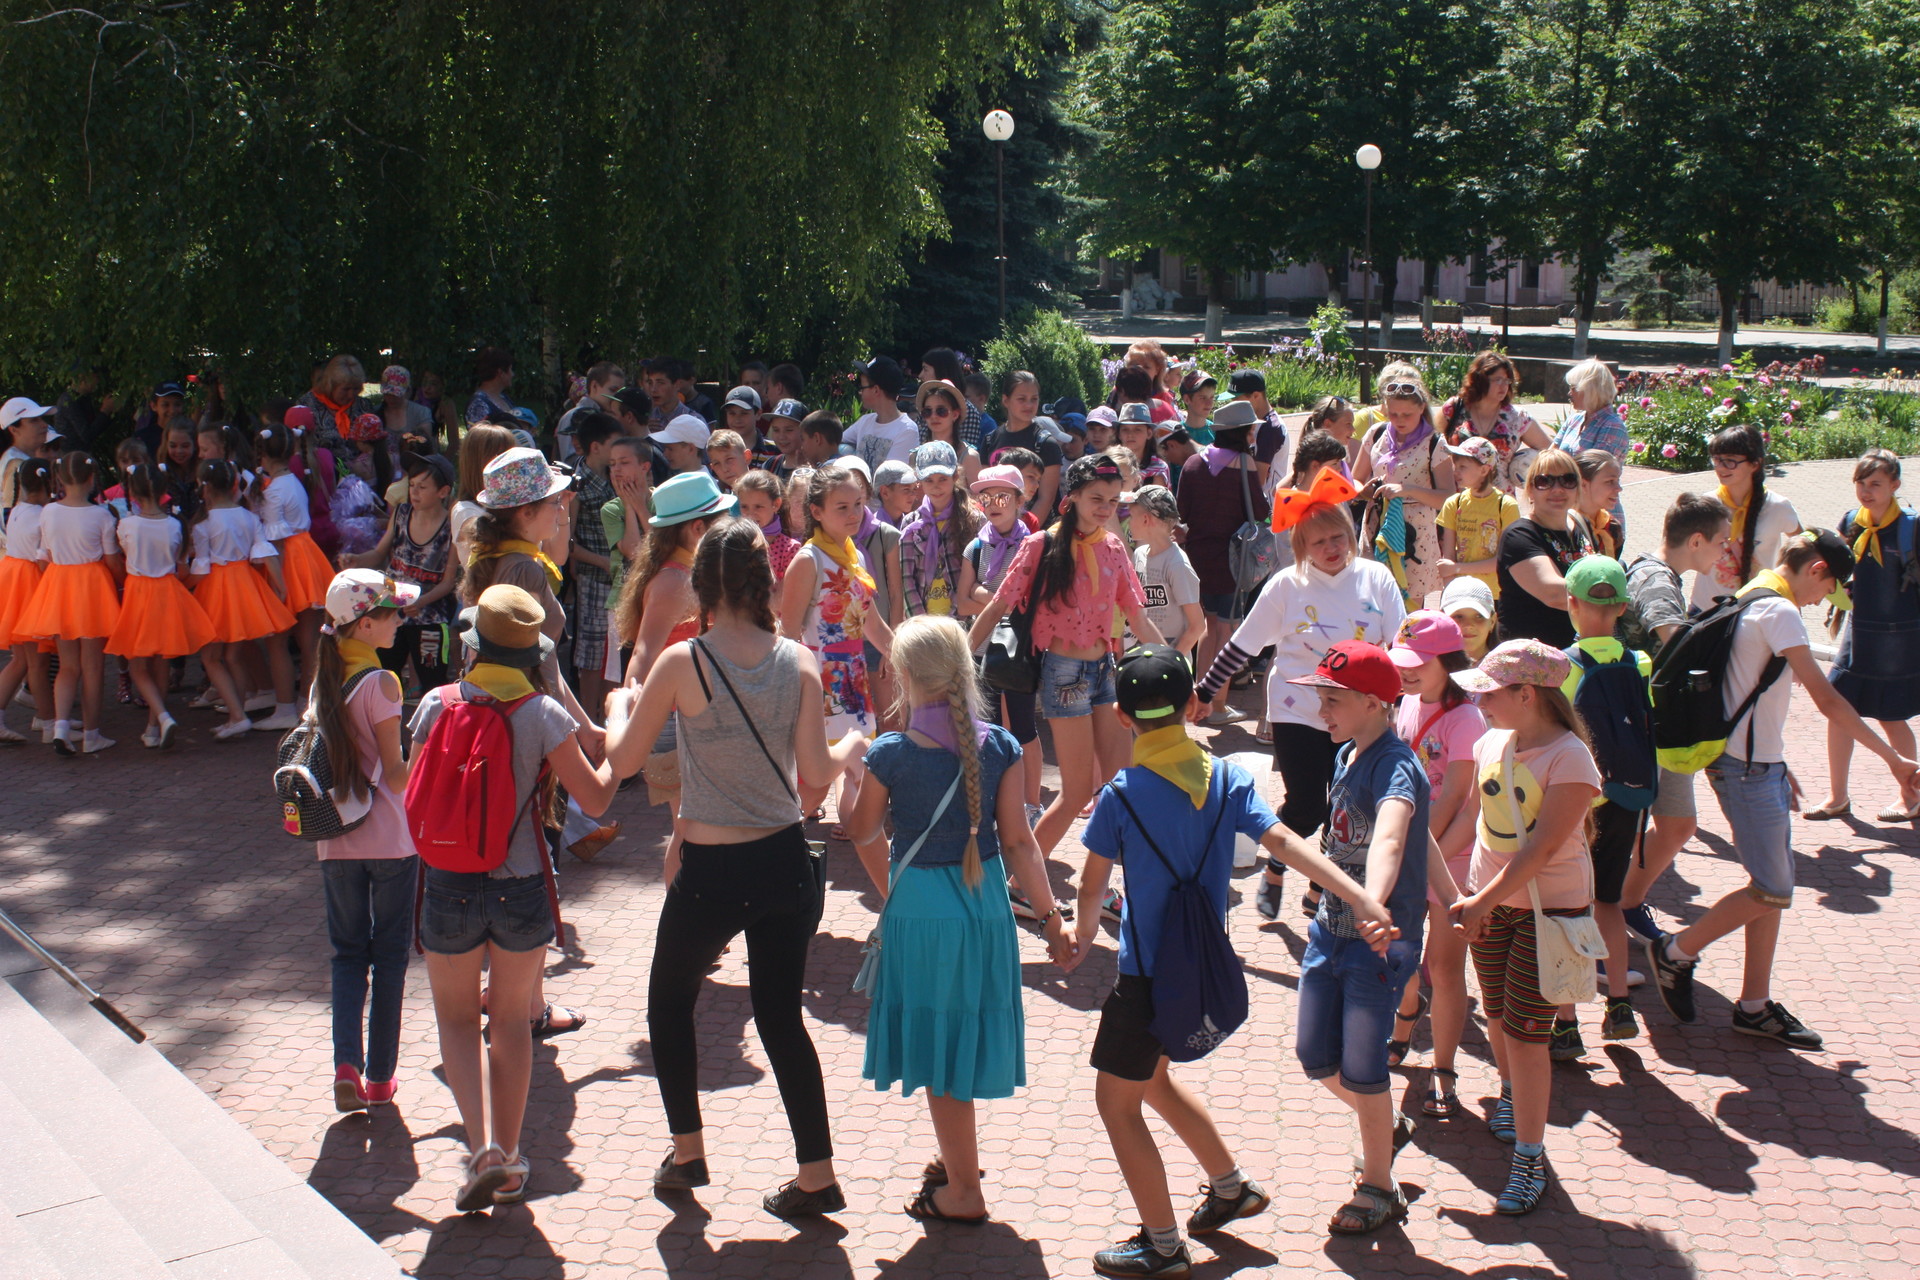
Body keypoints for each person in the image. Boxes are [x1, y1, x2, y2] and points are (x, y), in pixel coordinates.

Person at [1066, 644, 1396, 1276]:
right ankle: (1230, 1186)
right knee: (1153, 1079)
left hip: (1144, 977)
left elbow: (1089, 885)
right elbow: (1283, 842)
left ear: (1121, 716)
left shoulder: (1122, 794)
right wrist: (1356, 896)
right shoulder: (1229, 779)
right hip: (1202, 963)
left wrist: (1080, 936)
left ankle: (1161, 1244)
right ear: (1194, 704)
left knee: (1118, 1102)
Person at [603, 519, 866, 1217]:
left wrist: (613, 705)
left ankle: (688, 1154)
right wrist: (850, 751)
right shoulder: (797, 661)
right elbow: (814, 777)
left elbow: (620, 763)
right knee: (782, 1019)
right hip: (783, 860)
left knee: (670, 1002)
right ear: (765, 581)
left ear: (701, 588)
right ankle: (817, 1174)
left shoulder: (682, 662)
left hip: (714, 869)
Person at [1644, 531, 1920, 1050]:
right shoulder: (1782, 612)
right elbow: (1830, 702)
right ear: (1816, 568)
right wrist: (1894, 760)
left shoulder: (1756, 593)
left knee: (1767, 888)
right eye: (1830, 587)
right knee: (1773, 888)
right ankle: (1676, 952)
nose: (1825, 601)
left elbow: (1748, 690)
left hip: (1754, 765)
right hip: (1747, 771)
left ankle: (1753, 1005)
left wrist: (1777, 759)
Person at [841, 615, 1069, 1224]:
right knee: (961, 1040)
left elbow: (861, 831)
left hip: (920, 909)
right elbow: (1021, 844)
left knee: (939, 1055)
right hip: (985, 906)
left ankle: (963, 1189)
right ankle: (958, 1163)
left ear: (904, 677)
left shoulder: (891, 753)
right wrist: (1050, 921)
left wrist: (849, 772)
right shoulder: (998, 745)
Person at [412, 584, 617, 1211]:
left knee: (454, 1019)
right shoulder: (544, 713)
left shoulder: (434, 704)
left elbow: (416, 792)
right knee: (510, 1024)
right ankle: (509, 1151)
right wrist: (623, 741)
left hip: (447, 878)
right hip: (521, 884)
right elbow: (598, 799)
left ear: (474, 646)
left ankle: (479, 1149)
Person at [1284, 641, 1437, 1235]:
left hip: (1379, 941)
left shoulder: (1397, 765)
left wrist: (1373, 901)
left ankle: (1379, 1188)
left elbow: (1395, 838)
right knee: (1315, 1057)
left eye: (1332, 700)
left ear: (1375, 703)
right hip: (1331, 930)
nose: (1322, 711)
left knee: (1365, 1068)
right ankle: (1386, 1127)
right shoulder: (1348, 752)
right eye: (1321, 698)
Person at [1194, 497, 1405, 919]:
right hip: (1297, 709)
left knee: (1346, 807)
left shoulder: (1376, 578)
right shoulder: (1287, 584)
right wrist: (1204, 693)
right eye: (1319, 541)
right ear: (1301, 546)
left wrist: (1402, 702)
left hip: (1359, 715)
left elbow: (1399, 647)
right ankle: (1276, 863)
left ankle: (1318, 888)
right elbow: (1244, 643)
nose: (1332, 547)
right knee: (1307, 805)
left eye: (1338, 537)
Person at [1448, 639, 1602, 1216]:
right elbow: (1472, 818)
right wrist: (1431, 859)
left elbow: (1540, 851)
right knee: (1497, 1014)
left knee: (1526, 1036)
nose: (1480, 701)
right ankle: (1512, 1100)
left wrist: (1476, 902)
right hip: (1493, 905)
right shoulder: (1490, 741)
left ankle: (1530, 1160)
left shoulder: (1570, 758)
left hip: (1550, 911)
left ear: (1526, 693)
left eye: (1490, 692)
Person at [967, 453, 1165, 876]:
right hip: (1064, 676)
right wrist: (964, 657)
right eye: (1096, 497)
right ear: (1071, 497)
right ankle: (1018, 880)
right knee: (1075, 793)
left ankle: (1104, 885)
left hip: (1105, 674)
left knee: (1120, 786)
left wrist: (1176, 670)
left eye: (1113, 500)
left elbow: (1138, 617)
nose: (1105, 508)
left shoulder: (1112, 547)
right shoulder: (1042, 545)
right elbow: (1000, 603)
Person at [464, 447, 610, 953]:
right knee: (529, 833)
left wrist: (581, 722)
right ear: (524, 513)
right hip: (522, 714)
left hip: (501, 704)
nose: (561, 509)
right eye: (553, 501)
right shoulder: (524, 569)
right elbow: (539, 662)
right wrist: (579, 723)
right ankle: (520, 968)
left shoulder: (499, 556)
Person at [308, 570, 419, 1110]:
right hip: (391, 841)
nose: (401, 621)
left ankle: (345, 1064)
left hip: (335, 838)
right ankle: (380, 1079)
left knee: (347, 955)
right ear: (366, 622)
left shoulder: (325, 679)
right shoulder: (383, 684)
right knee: (390, 956)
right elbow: (397, 777)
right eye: (393, 613)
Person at [1615, 493, 1731, 942]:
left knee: (1678, 825)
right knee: (1640, 828)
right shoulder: (1660, 583)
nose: (1726, 550)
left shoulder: (1654, 571)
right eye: (1722, 541)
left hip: (1653, 723)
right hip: (1644, 724)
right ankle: (1611, 911)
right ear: (1697, 540)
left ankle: (1625, 903)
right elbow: (1678, 647)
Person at [1383, 613, 1485, 1117]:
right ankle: (1405, 1016)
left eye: (1417, 664)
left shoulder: (1468, 718)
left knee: (1445, 969)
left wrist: (1425, 856)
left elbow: (1460, 799)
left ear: (1447, 661)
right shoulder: (1404, 703)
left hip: (1452, 859)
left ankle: (1443, 1067)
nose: (1405, 673)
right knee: (1400, 954)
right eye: (1401, 662)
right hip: (1409, 851)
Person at [1553, 557, 1653, 1059]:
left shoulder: (1563, 665)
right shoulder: (1639, 663)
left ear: (1571, 603)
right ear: (1620, 606)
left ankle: (1567, 1023)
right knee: (1608, 900)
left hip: (1582, 798)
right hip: (1628, 795)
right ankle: (1618, 1004)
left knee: (1570, 906)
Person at [781, 463, 895, 838]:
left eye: (858, 504)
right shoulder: (808, 560)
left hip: (854, 675)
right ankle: (775, 837)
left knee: (861, 770)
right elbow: (788, 631)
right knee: (817, 781)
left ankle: (863, 838)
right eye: (841, 507)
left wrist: (904, 659)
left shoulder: (856, 557)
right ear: (816, 512)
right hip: (820, 678)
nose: (853, 514)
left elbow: (871, 623)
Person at [1813, 450, 1920, 821]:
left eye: (1875, 483)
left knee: (1892, 715)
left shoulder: (1912, 527)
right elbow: (1838, 570)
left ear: (1895, 485)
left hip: (1898, 639)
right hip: (1858, 635)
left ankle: (1911, 796)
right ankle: (1837, 796)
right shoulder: (1850, 522)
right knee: (1839, 711)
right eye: (1861, 482)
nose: (1866, 491)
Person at [104, 463, 217, 749]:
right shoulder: (174, 524)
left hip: (139, 593)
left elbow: (122, 557)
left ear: (134, 492)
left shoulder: (127, 525)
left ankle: (163, 717)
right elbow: (180, 564)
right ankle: (153, 726)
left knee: (138, 664)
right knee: (161, 662)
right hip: (168, 592)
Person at [17, 452, 123, 754]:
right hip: (92, 589)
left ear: (59, 479)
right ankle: (92, 733)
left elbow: (43, 557)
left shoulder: (48, 511)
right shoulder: (101, 514)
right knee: (93, 666)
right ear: (91, 479)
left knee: (67, 665)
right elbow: (112, 558)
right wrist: (123, 582)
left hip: (60, 585)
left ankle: (60, 726)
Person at [958, 464, 1045, 826]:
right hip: (982, 653)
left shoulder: (1034, 546)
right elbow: (961, 602)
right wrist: (998, 598)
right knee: (988, 729)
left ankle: (1032, 803)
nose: (993, 503)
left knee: (1024, 728)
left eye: (1002, 496)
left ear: (1020, 501)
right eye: (985, 496)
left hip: (1020, 652)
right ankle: (992, 801)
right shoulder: (977, 546)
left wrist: (985, 595)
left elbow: (1033, 600)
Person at [188, 459, 296, 740]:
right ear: (234, 485)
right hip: (245, 584)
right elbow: (263, 550)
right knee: (233, 654)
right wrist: (280, 585)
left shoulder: (203, 524)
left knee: (211, 656)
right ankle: (239, 710)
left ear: (205, 488)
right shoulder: (248, 516)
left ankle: (237, 715)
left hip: (217, 587)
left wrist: (182, 587)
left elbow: (201, 567)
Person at [1176, 400, 1270, 723]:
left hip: (1198, 557)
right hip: (1233, 558)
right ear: (1242, 432)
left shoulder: (1192, 463)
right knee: (1228, 630)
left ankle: (1196, 699)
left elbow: (1183, 513)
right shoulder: (1245, 464)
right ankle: (1217, 706)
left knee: (1206, 625)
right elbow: (1259, 512)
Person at [343, 453, 458, 695]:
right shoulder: (401, 513)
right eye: (412, 486)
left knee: (434, 685)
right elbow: (379, 553)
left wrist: (420, 601)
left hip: (430, 618)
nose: (414, 492)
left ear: (443, 491)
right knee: (384, 674)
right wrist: (357, 560)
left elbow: (448, 582)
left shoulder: (451, 526)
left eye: (422, 487)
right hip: (390, 610)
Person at [257, 424, 336, 723]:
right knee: (309, 639)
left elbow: (275, 540)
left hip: (288, 560)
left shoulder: (274, 491)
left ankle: (286, 708)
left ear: (262, 455)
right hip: (306, 555)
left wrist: (277, 582)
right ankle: (308, 702)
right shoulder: (293, 481)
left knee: (277, 639)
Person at [1354, 377, 1454, 609]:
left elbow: (1448, 496)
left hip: (1416, 533)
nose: (1399, 420)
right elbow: (1356, 479)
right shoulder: (1376, 434)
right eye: (1393, 413)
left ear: (1422, 408)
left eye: (1406, 414)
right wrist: (1365, 491)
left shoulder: (1435, 444)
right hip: (1376, 526)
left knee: (1408, 606)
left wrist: (1407, 490)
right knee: (1372, 602)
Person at [1693, 423, 1802, 610]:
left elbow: (1802, 547)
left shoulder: (1778, 507)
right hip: (1705, 611)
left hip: (1757, 609)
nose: (1720, 468)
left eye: (1730, 461)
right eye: (1717, 459)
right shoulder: (1707, 504)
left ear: (1755, 464)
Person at [1495, 448, 1595, 647]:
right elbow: (1555, 594)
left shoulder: (1581, 523)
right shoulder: (1519, 535)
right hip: (1531, 658)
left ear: (1578, 488)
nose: (1557, 489)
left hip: (1579, 651)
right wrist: (1612, 593)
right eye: (1544, 481)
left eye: (1567, 480)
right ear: (1530, 490)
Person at [567, 413, 621, 716]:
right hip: (594, 580)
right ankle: (589, 716)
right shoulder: (577, 485)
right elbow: (568, 543)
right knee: (591, 654)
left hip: (619, 580)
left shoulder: (616, 475)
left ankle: (606, 715)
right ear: (597, 446)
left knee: (613, 653)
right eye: (614, 443)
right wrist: (601, 562)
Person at [1438, 351, 1552, 494]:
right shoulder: (1455, 408)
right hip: (1458, 500)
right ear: (1480, 380)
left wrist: (1527, 467)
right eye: (1497, 380)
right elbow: (1433, 445)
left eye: (1507, 381)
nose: (1503, 386)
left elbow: (1551, 452)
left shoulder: (1517, 417)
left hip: (1500, 504)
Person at [0, 459, 54, 742]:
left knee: (20, 660)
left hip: (14, 584)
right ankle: (48, 725)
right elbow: (43, 561)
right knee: (37, 664)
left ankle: (45, 720)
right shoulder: (41, 517)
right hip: (30, 589)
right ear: (48, 484)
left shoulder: (18, 511)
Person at [898, 441, 978, 619]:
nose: (936, 486)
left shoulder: (974, 519)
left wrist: (960, 615)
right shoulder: (910, 524)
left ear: (955, 476)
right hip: (925, 620)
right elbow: (907, 580)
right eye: (929, 480)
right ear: (919, 481)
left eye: (943, 478)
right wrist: (920, 622)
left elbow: (979, 575)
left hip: (964, 619)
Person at [1435, 436, 1518, 600]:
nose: (1455, 471)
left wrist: (1457, 568)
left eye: (1463, 467)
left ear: (1484, 470)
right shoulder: (1454, 503)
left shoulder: (1506, 506)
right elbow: (1448, 557)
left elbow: (1502, 561)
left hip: (1495, 594)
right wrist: (1449, 593)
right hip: (1462, 594)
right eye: (1455, 465)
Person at [1127, 485, 1204, 662]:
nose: (1128, 522)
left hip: (1169, 665)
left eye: (1131, 516)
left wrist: (1171, 662)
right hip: (1142, 658)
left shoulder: (1177, 564)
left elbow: (1197, 625)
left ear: (1146, 520)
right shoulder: (1139, 555)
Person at [982, 371, 1062, 518]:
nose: (1029, 405)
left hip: (1032, 533)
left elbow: (1046, 499)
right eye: (1021, 399)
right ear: (1006, 400)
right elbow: (985, 491)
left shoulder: (1046, 444)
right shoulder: (989, 440)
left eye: (1034, 399)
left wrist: (1021, 535)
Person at [449, 424, 517, 571]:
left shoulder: (511, 505)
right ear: (477, 462)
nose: (511, 463)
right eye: (500, 455)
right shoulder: (466, 512)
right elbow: (490, 568)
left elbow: (559, 556)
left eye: (511, 455)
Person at [845, 356, 918, 472]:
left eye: (862, 387)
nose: (860, 392)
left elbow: (890, 479)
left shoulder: (907, 430)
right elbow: (834, 441)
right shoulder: (865, 421)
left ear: (876, 390)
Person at [1551, 359, 1627, 462]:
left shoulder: (1612, 426)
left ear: (1590, 390)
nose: (1569, 393)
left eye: (1573, 388)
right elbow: (1550, 455)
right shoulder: (1574, 420)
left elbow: (1594, 471)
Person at [1229, 368, 1289, 495]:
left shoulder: (1271, 428)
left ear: (1256, 395)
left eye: (1236, 399)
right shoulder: (1253, 422)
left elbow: (1257, 480)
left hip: (1267, 507)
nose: (1232, 403)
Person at [733, 468, 800, 581]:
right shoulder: (734, 544)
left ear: (776, 504)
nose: (750, 514)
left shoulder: (790, 549)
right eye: (744, 507)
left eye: (758, 506)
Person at [914, 380, 981, 484]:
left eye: (941, 411)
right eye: (927, 411)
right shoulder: (915, 456)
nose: (934, 416)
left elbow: (978, 499)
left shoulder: (969, 457)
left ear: (955, 415)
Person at [2, 396, 56, 524]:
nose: (44, 425)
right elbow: (12, 520)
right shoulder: (16, 464)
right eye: (34, 420)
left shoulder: (22, 460)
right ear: (14, 430)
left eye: (41, 419)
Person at [1571, 449, 1624, 559]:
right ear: (1583, 485)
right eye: (1610, 481)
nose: (1619, 488)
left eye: (1617, 481)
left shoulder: (1612, 528)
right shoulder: (1563, 527)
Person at [1116, 403, 1173, 490]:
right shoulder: (1110, 464)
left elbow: (1155, 501)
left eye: (1137, 429)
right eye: (1125, 429)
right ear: (1119, 434)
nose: (1130, 434)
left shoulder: (1158, 467)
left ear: (1149, 434)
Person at [1443, 575, 1496, 663]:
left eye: (1479, 616)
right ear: (1442, 619)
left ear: (1492, 621)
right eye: (1458, 616)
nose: (1468, 626)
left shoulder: (1510, 670)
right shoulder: (1431, 667)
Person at [465, 346, 517, 426]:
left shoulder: (504, 398)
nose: (513, 374)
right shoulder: (478, 404)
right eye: (510, 369)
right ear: (501, 373)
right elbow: (480, 436)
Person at [764, 398, 810, 479]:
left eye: (789, 430)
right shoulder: (770, 465)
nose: (781, 436)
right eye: (776, 430)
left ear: (805, 430)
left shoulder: (816, 467)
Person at [1175, 369, 1217, 443]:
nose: (1209, 403)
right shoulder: (1177, 434)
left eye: (1212, 397)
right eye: (1203, 398)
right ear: (1187, 399)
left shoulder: (1217, 433)